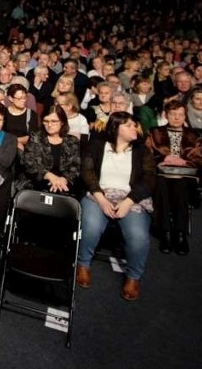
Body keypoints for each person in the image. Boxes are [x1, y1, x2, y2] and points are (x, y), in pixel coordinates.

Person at [77, 112, 155, 301]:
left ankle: (133, 277)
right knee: (91, 226)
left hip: (130, 198)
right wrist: (101, 198)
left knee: (138, 236)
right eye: (128, 125)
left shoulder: (142, 151)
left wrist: (128, 201)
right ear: (115, 128)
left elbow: (149, 179)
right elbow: (87, 172)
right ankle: (83, 264)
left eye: (134, 125)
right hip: (99, 193)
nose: (134, 128)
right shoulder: (96, 146)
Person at [145, 100, 202, 255]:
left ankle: (180, 233)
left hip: (185, 175)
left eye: (180, 114)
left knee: (180, 185)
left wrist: (184, 161)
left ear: (185, 116)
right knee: (161, 184)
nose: (177, 118)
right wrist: (162, 160)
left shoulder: (193, 135)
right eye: (173, 114)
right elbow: (145, 157)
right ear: (166, 115)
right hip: (161, 174)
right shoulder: (154, 132)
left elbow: (200, 161)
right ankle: (165, 232)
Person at [20, 105, 81, 194]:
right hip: (38, 184)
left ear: (62, 122)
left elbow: (75, 166)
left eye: (54, 121)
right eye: (46, 121)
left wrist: (63, 180)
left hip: (63, 185)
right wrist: (50, 176)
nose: (49, 125)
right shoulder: (35, 137)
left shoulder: (72, 141)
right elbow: (29, 163)